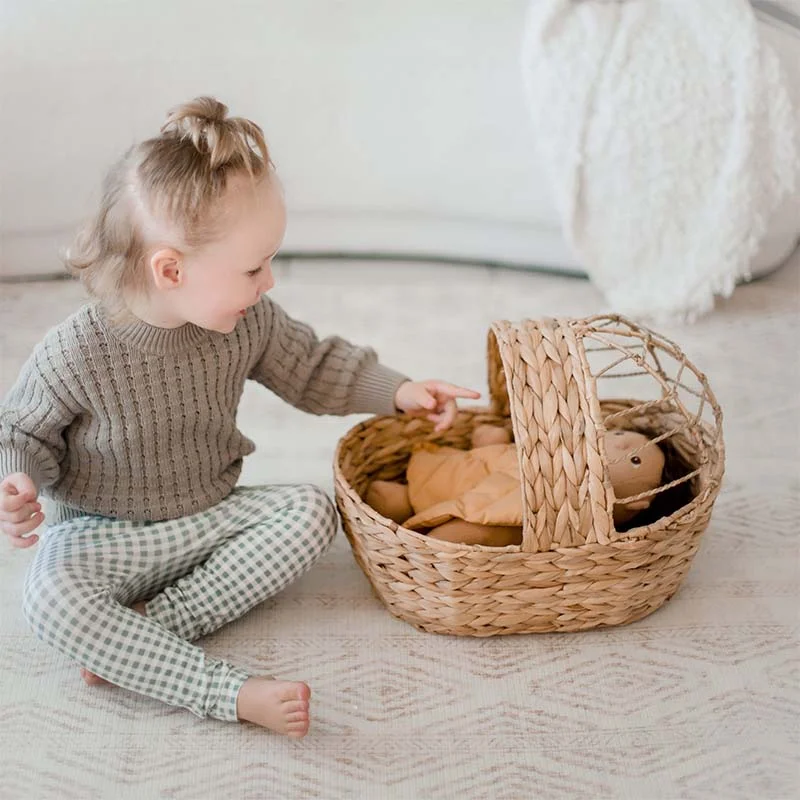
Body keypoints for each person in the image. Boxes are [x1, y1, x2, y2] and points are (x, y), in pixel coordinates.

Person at [0, 96, 480, 738]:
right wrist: (18, 478)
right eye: (254, 267)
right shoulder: (77, 350)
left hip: (207, 518)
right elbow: (20, 430)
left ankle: (146, 634)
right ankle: (225, 692)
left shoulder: (245, 322)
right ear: (170, 270)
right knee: (48, 600)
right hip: (101, 536)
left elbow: (311, 366)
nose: (269, 282)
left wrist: (397, 390)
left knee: (311, 512)